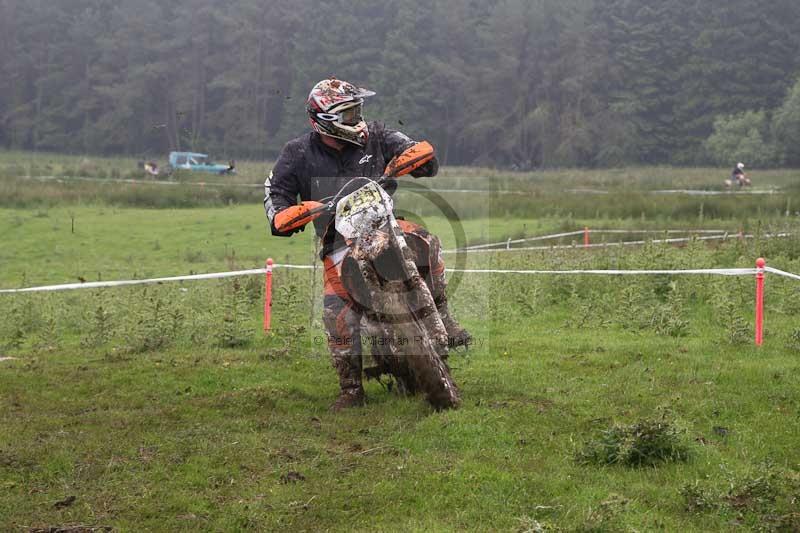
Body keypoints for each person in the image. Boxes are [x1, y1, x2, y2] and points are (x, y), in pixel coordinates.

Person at [263, 78, 470, 411]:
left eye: (357, 110)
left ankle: (444, 316)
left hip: (387, 223)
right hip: (337, 240)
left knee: (427, 242)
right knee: (335, 309)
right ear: (325, 118)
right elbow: (275, 195)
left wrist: (417, 159)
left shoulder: (378, 134)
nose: (356, 118)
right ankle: (351, 388)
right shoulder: (297, 153)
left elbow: (420, 156)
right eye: (348, 114)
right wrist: (286, 215)